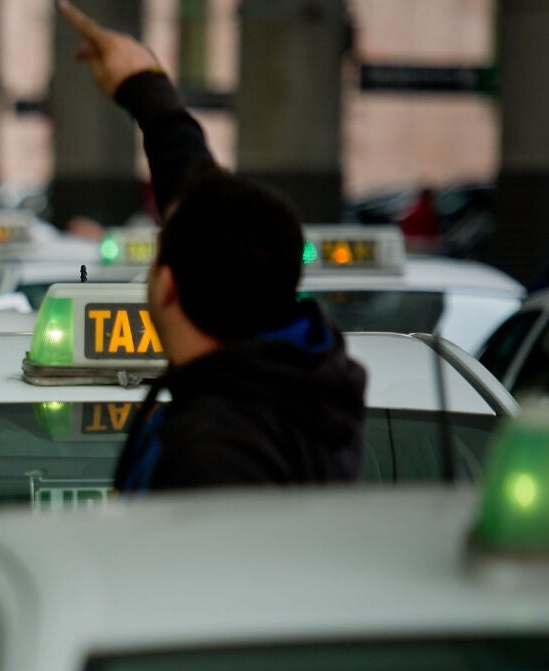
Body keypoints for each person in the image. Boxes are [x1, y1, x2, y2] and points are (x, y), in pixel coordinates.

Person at [59, 0, 367, 492]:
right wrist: (146, 90)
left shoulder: (212, 462)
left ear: (166, 286)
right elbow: (212, 214)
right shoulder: (304, 378)